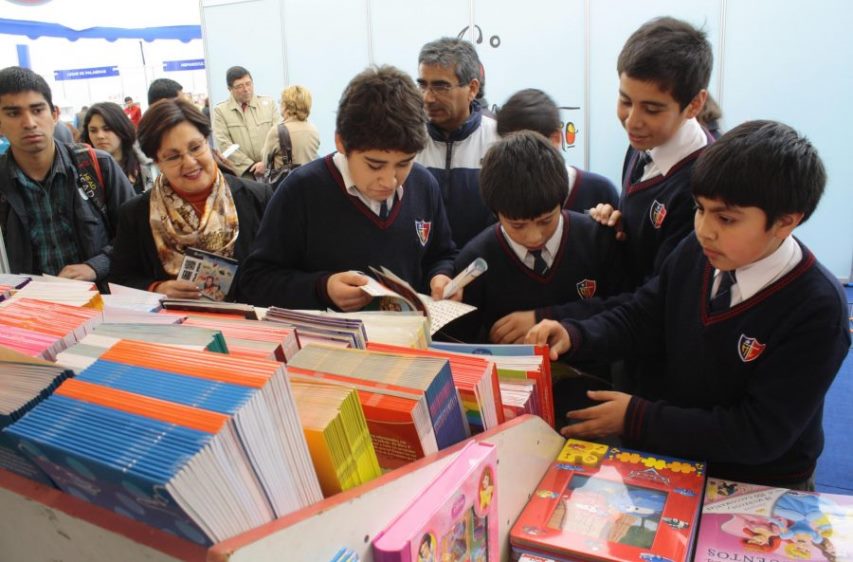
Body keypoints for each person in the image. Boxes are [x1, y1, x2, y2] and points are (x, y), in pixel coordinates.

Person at [526, 120, 851, 489]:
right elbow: (643, 315)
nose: (705, 229)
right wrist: (575, 333)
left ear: (786, 222)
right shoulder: (697, 251)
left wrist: (637, 418)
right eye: (700, 209)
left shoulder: (818, 307)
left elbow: (758, 432)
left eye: (726, 218)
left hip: (757, 482)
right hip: (676, 455)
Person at [238, 65, 457, 310]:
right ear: (341, 142)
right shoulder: (301, 190)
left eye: (404, 163)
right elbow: (255, 281)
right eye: (375, 165)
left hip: (411, 339)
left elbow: (442, 254)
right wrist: (322, 288)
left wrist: (441, 276)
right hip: (330, 344)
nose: (390, 181)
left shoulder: (424, 184)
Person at [453, 130, 624, 344]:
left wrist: (544, 317)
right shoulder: (476, 261)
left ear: (563, 201)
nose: (534, 237)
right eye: (517, 225)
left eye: (546, 221)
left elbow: (627, 309)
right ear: (496, 213)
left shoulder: (597, 239)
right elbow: (460, 339)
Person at [590, 17, 714, 291]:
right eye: (625, 101)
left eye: (652, 109)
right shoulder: (644, 142)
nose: (632, 121)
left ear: (694, 104)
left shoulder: (703, 187)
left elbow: (658, 298)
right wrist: (619, 226)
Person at [110, 99, 272, 299]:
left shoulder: (257, 198)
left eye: (195, 148)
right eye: (173, 156)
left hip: (252, 325)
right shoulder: (136, 214)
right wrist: (157, 289)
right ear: (157, 162)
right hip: (175, 326)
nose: (189, 163)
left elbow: (280, 270)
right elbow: (120, 279)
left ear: (208, 142)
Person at [0, 66, 135, 282]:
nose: (29, 123)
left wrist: (96, 266)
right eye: (13, 113)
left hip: (102, 304)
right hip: (29, 310)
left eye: (37, 110)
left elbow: (136, 236)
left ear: (54, 114)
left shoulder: (96, 165)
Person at [415, 37, 499, 248]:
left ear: (472, 89)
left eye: (441, 87)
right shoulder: (406, 138)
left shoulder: (501, 139)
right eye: (423, 85)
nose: (428, 98)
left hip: (484, 269)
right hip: (422, 275)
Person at [496, 88, 619, 213]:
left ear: (556, 138)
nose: (517, 158)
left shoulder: (600, 192)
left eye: (526, 148)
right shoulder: (501, 196)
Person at [213, 66, 278, 179]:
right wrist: (250, 165)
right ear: (230, 89)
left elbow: (279, 136)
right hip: (244, 174)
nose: (246, 89)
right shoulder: (221, 111)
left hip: (271, 170)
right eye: (239, 86)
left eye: (248, 84)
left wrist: (266, 163)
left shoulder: (269, 104)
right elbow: (224, 144)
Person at [81, 102, 157, 194]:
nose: (100, 136)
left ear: (121, 128)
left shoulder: (148, 165)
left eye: (107, 129)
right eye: (93, 130)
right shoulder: (83, 171)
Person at [261, 84, 320, 171]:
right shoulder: (313, 130)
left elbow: (265, 161)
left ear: (286, 106)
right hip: (309, 181)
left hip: (286, 183)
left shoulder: (277, 131)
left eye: (281, 101)